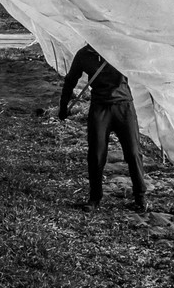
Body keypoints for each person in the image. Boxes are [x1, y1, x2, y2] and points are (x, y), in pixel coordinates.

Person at [58, 43, 148, 212]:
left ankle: (140, 197)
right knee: (96, 154)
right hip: (100, 107)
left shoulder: (119, 47)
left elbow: (145, 66)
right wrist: (63, 106)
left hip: (124, 106)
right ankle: (94, 198)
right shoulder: (84, 55)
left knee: (134, 152)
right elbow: (71, 79)